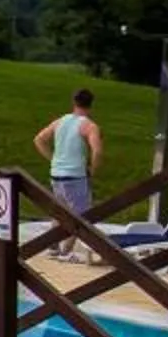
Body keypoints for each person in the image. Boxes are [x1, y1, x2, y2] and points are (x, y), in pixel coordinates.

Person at [35, 89, 101, 251]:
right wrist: (93, 169)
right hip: (75, 175)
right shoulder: (89, 126)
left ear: (74, 102)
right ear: (91, 104)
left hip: (56, 173)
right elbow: (97, 151)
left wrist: (53, 159)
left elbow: (39, 140)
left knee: (60, 211)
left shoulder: (60, 121)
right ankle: (66, 251)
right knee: (80, 216)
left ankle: (53, 246)